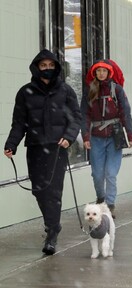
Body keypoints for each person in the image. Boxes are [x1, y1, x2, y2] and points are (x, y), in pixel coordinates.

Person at [4, 49, 81, 255]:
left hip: (58, 148)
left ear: (56, 67)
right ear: (37, 68)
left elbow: (75, 118)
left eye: (51, 66)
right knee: (39, 190)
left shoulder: (66, 91)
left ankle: (52, 234)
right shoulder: (25, 92)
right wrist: (11, 144)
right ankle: (52, 223)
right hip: (36, 147)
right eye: (43, 66)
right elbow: (19, 123)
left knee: (54, 191)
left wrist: (69, 137)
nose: (47, 69)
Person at [80, 60, 132, 218]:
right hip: (96, 137)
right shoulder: (90, 91)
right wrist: (85, 136)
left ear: (109, 73)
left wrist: (130, 134)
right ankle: (101, 198)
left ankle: (109, 205)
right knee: (97, 174)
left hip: (114, 136)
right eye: (98, 71)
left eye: (104, 71)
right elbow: (84, 115)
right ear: (94, 73)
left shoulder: (117, 90)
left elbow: (125, 112)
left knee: (111, 173)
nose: (101, 74)